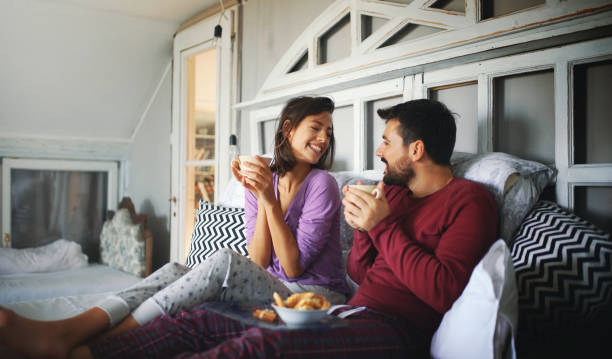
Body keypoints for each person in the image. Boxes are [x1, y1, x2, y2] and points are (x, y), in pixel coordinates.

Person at [53, 99, 498, 359]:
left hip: (395, 330)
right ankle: (87, 351)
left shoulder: (469, 201)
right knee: (203, 319)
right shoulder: (396, 196)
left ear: (416, 149)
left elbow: (442, 291)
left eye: (387, 141)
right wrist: (365, 228)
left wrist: (379, 228)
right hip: (348, 310)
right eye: (316, 127)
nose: (378, 150)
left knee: (260, 344)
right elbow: (361, 272)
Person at [0, 96, 349, 359]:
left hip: (313, 297)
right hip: (274, 289)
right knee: (175, 270)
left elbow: (292, 267)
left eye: (328, 132)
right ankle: (71, 329)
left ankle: (94, 342)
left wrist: (269, 202)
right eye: (315, 128)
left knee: (224, 261)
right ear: (288, 129)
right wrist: (259, 191)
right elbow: (258, 263)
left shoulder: (323, 185)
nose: (323, 138)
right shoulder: (263, 177)